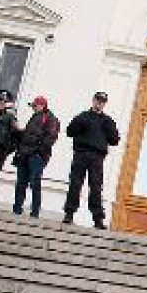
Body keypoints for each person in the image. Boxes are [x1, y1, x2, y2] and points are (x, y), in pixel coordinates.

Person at [62, 91, 119, 229]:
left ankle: (98, 219)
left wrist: (109, 130)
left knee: (95, 187)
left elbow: (115, 140)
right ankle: (69, 213)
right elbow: (69, 131)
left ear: (105, 104)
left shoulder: (108, 121)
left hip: (97, 157)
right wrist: (80, 124)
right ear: (93, 100)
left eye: (102, 101)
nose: (99, 103)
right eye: (98, 100)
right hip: (81, 154)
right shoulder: (83, 116)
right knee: (75, 184)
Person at [12, 95, 60, 218]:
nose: (33, 108)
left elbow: (51, 137)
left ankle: (34, 212)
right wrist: (18, 131)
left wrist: (38, 151)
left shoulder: (51, 118)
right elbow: (28, 135)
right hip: (24, 154)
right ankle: (17, 209)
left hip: (36, 156)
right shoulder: (35, 117)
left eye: (35, 105)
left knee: (34, 182)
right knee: (21, 182)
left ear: (42, 105)